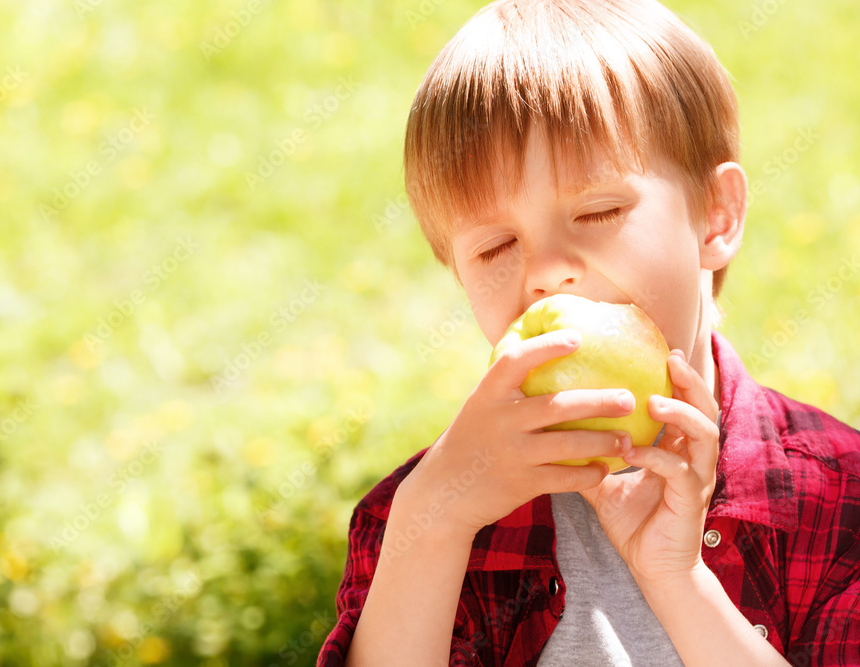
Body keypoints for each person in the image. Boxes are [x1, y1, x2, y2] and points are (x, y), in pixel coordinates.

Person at [317, 0, 860, 665]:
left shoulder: (837, 501)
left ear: (715, 217)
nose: (546, 271)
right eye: (495, 247)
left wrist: (678, 580)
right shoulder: (428, 519)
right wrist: (432, 523)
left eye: (597, 210)